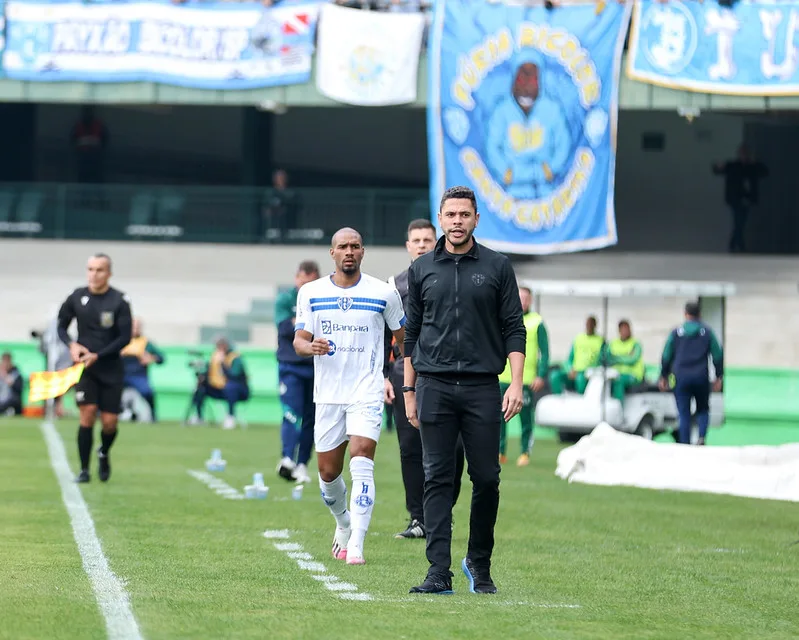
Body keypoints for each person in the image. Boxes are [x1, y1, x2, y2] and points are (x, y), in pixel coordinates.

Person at [403, 186, 526, 595]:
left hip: (482, 388)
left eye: (464, 215)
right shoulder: (422, 269)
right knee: (437, 478)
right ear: (441, 218)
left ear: (476, 219)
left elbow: (514, 328)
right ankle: (438, 571)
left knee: (487, 478)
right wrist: (409, 390)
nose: (457, 221)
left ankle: (479, 560)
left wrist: (516, 384)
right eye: (450, 214)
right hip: (434, 385)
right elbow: (411, 335)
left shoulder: (497, 266)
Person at [293, 227, 406, 566]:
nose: (349, 252)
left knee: (362, 458)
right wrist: (309, 346)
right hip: (328, 395)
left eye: (355, 246)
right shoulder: (311, 292)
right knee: (328, 473)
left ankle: (356, 542)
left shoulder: (384, 293)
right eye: (343, 246)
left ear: (363, 251)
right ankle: (343, 522)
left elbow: (405, 338)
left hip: (366, 390)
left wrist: (400, 377)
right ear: (332, 253)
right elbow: (298, 340)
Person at [383, 218, 466, 540]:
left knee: (454, 447)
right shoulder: (393, 285)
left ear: (437, 241)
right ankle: (418, 517)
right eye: (416, 240)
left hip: (446, 375)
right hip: (404, 374)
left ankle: (441, 512)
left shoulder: (454, 277)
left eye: (427, 239)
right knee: (410, 449)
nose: (421, 244)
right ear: (408, 245)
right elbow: (383, 333)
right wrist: (383, 377)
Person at [57, 253, 133, 483]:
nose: (94, 274)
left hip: (110, 368)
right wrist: (71, 344)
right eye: (90, 269)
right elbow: (61, 325)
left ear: (108, 273)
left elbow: (125, 338)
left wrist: (98, 355)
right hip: (85, 369)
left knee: (109, 422)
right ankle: (84, 470)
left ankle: (104, 451)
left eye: (99, 270)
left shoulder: (119, 301)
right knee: (87, 414)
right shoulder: (76, 297)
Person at [275, 260, 321, 485]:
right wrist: (306, 324)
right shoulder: (286, 298)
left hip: (315, 367)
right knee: (291, 413)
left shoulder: (322, 298)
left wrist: (300, 324)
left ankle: (302, 463)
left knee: (311, 419)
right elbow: (284, 328)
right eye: (304, 281)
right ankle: (287, 458)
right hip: (290, 366)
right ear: (297, 279)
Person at [658, 302, 724, 445]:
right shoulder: (707, 332)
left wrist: (663, 376)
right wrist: (719, 376)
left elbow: (666, 355)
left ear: (686, 314)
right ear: (699, 315)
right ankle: (701, 437)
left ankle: (685, 442)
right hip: (701, 377)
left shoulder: (676, 333)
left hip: (680, 377)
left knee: (683, 412)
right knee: (703, 408)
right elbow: (717, 355)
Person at [498, 286, 549, 467]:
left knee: (525, 419)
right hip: (502, 376)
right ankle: (500, 451)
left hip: (525, 380)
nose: (523, 301)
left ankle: (524, 452)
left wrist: (541, 375)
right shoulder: (504, 316)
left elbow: (545, 352)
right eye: (520, 297)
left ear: (531, 301)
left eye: (526, 298)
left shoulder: (537, 322)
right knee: (499, 418)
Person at [712, 145, 768, 253]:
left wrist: (755, 163)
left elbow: (765, 172)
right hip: (735, 199)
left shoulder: (753, 166)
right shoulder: (733, 165)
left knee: (740, 223)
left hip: (747, 199)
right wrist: (718, 166)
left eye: (745, 153)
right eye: (742, 153)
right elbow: (717, 170)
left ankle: (734, 244)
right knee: (739, 221)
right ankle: (738, 245)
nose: (744, 155)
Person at [190, 338, 250, 430]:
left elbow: (234, 376)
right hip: (218, 389)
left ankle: (230, 417)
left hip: (238, 391)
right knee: (200, 389)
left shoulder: (235, 358)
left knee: (231, 387)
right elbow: (210, 372)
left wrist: (222, 364)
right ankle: (199, 417)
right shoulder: (215, 356)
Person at [121, 317, 165, 421]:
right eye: (133, 327)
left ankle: (153, 416)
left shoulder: (146, 343)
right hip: (122, 374)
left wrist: (152, 358)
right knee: (108, 391)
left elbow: (161, 358)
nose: (135, 329)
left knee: (148, 392)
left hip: (138, 375)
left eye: (137, 327)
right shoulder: (121, 341)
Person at [548, 316, 604, 395]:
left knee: (580, 378)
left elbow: (602, 361)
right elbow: (569, 359)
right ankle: (558, 398)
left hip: (587, 374)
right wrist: (570, 369)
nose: (589, 326)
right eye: (588, 324)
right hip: (574, 371)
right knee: (554, 376)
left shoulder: (600, 341)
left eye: (591, 324)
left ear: (595, 326)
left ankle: (582, 401)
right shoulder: (578, 339)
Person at [607, 319, 645, 403]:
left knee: (618, 380)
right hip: (615, 374)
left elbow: (632, 359)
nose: (626, 331)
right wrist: (625, 356)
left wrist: (616, 358)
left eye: (627, 329)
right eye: (623, 329)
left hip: (633, 375)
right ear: (619, 331)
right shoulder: (613, 343)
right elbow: (608, 358)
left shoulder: (636, 344)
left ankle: (619, 407)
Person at [0, 352, 23, 416]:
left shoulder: (16, 374)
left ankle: (9, 411)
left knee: (13, 401)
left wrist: (9, 381)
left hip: (11, 400)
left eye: (7, 361)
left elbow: (19, 389)